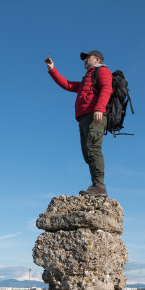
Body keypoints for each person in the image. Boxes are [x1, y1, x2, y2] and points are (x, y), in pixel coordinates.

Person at [45, 50, 113, 197]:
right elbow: (68, 85)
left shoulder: (103, 71)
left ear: (96, 59)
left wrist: (99, 108)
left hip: (95, 115)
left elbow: (107, 88)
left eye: (87, 58)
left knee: (93, 148)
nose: (84, 61)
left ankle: (99, 186)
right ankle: (96, 185)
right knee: (87, 152)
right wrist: (52, 70)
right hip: (83, 118)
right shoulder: (86, 78)